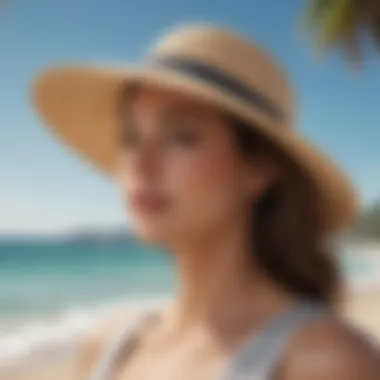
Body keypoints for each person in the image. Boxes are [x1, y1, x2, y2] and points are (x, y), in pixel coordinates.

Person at [32, 23, 380, 380]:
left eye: (182, 137)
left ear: (259, 168)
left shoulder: (323, 361)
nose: (141, 163)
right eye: (132, 138)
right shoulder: (105, 345)